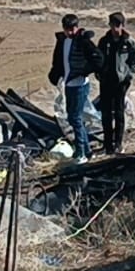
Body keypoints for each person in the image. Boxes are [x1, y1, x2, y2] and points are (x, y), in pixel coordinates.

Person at [48, 13, 103, 163]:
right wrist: (55, 76)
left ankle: (81, 154)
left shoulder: (84, 41)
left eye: (72, 29)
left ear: (77, 28)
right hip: (68, 84)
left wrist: (84, 71)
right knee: (73, 117)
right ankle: (86, 150)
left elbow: (98, 59)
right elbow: (58, 61)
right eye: (67, 29)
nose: (70, 32)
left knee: (75, 118)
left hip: (80, 85)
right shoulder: (62, 41)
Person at [95, 12, 135, 155]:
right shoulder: (104, 41)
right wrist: (98, 73)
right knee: (106, 114)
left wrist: (129, 77)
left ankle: (118, 144)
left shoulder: (129, 42)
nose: (115, 29)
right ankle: (107, 145)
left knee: (119, 113)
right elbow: (97, 59)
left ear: (122, 25)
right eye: (112, 25)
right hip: (106, 81)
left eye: (118, 25)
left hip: (121, 82)